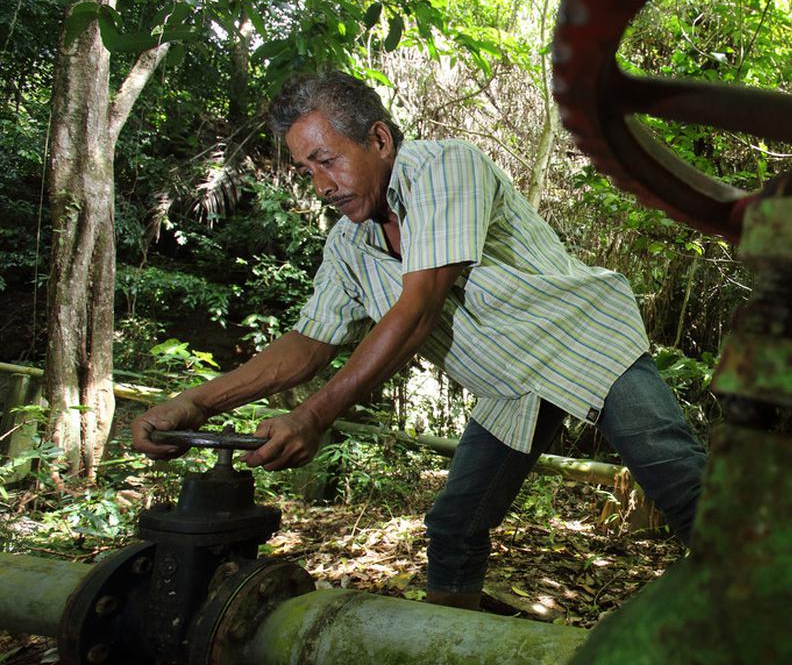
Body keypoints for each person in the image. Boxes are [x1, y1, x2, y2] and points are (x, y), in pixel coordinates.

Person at [131, 72, 707, 610]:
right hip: (510, 384)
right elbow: (308, 343)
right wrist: (197, 403)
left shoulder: (445, 167)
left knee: (682, 486)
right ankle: (450, 636)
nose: (322, 186)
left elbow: (419, 307)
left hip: (581, 339)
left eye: (328, 161)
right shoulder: (349, 247)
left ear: (379, 140)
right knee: (454, 527)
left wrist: (313, 416)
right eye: (308, 170)